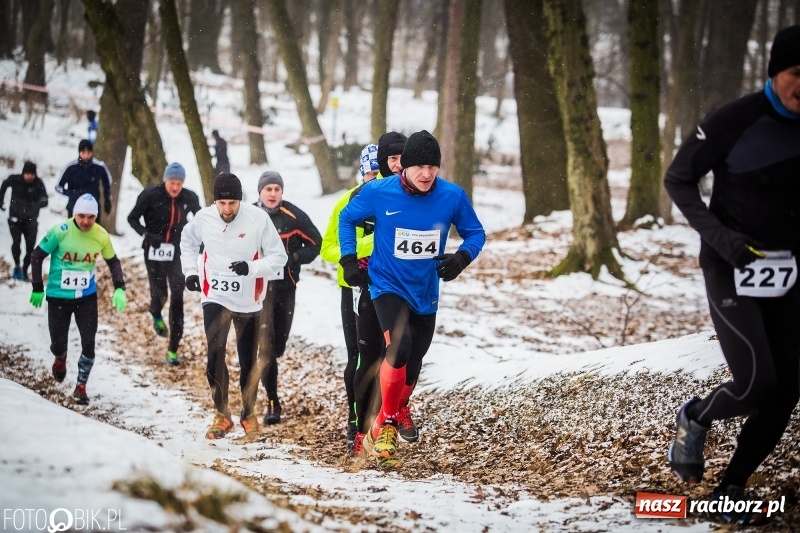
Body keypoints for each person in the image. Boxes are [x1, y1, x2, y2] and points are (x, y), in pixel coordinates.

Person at [664, 25, 800, 526]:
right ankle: (696, 415)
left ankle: (732, 490)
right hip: (731, 266)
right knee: (755, 384)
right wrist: (721, 240)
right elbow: (678, 179)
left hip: (789, 271)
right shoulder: (735, 119)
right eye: (796, 73)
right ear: (775, 72)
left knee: (787, 390)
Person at [339, 130, 485, 467]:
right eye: (419, 166)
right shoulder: (378, 191)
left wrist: (462, 258)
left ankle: (398, 407)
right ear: (402, 167)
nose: (426, 174)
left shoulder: (452, 196)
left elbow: (476, 233)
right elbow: (347, 218)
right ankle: (385, 422)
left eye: (433, 166)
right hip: (387, 285)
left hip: (425, 290)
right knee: (398, 348)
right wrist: (348, 259)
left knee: (414, 360)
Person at [181, 172, 287, 440]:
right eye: (222, 204)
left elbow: (279, 257)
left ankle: (248, 413)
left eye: (232, 203)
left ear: (240, 201)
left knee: (247, 359)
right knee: (214, 354)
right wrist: (190, 272)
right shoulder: (204, 218)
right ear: (215, 202)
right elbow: (187, 242)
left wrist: (251, 268)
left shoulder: (257, 219)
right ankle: (222, 414)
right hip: (214, 294)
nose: (227, 209)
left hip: (248, 299)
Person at [321, 142, 392, 456]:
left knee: (386, 359)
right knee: (359, 359)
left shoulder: (395, 202)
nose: (375, 179)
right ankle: (355, 423)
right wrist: (365, 247)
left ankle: (378, 420)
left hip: (387, 289)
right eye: (371, 173)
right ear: (363, 173)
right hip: (353, 289)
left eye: (382, 173)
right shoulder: (347, 202)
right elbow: (328, 250)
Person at [28, 193, 127, 405]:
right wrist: (37, 287)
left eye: (90, 217)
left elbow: (114, 262)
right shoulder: (60, 232)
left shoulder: (101, 235)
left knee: (89, 343)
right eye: (81, 216)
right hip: (58, 297)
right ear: (75, 215)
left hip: (86, 297)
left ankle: (81, 386)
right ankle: (60, 358)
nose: (85, 221)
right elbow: (36, 256)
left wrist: (120, 288)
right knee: (58, 343)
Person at [254, 171, 322, 425]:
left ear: (282, 192)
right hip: (258, 289)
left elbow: (317, 243)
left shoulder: (294, 216)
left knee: (279, 342)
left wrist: (294, 258)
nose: (272, 194)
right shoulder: (248, 215)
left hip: (286, 287)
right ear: (259, 192)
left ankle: (272, 360)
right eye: (268, 189)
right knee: (266, 347)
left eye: (276, 189)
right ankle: (273, 400)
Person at [127, 163, 201, 366]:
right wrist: (146, 234)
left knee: (177, 297)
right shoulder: (150, 195)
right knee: (160, 293)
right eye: (172, 183)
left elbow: (201, 222)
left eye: (179, 183)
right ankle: (156, 311)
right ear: (165, 180)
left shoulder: (190, 197)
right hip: (154, 250)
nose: (175, 187)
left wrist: (201, 243)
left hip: (178, 252)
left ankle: (172, 350)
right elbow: (132, 218)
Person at [0, 161, 48, 281]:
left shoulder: (38, 183)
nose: (29, 176)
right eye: (27, 173)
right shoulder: (15, 180)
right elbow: (4, 184)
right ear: (23, 173)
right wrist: (0, 199)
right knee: (16, 242)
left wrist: (35, 204)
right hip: (15, 219)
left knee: (30, 248)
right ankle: (17, 267)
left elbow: (45, 200)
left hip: (31, 221)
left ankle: (25, 270)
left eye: (32, 174)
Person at [56, 139, 113, 225]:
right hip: (74, 207)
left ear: (92, 153)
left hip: (93, 209)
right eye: (83, 153)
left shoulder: (99, 166)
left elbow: (107, 181)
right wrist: (72, 193)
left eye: (88, 153)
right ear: (79, 152)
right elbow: (58, 187)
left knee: (92, 236)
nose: (86, 156)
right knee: (74, 234)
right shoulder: (71, 167)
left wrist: (107, 199)